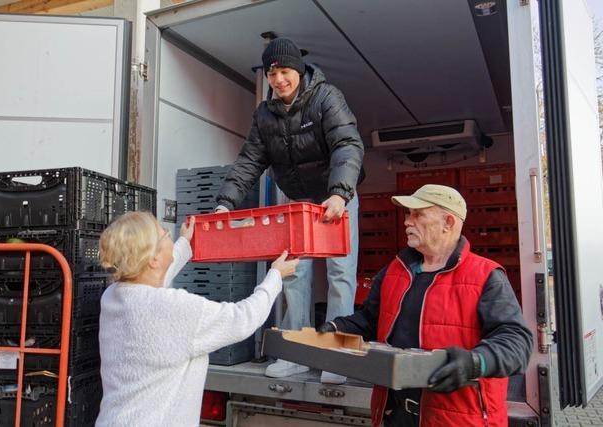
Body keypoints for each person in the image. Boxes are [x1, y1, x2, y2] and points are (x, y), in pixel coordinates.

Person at [317, 184, 533, 427]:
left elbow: (517, 343)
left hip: (456, 420)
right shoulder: (394, 271)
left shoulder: (486, 276)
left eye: (417, 214)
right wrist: (335, 328)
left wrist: (474, 362)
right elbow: (370, 320)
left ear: (448, 222)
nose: (407, 221)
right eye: (407, 214)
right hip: (395, 415)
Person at [215, 37, 365, 382]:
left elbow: (347, 144)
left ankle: (337, 354)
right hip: (296, 202)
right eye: (272, 73)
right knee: (294, 273)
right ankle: (298, 352)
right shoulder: (264, 115)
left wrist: (341, 193)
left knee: (340, 273)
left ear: (297, 70)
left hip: (334, 197)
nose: (279, 79)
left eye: (284, 71)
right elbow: (250, 161)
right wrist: (225, 203)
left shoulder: (328, 98)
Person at [95, 212, 298, 426]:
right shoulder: (172, 308)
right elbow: (242, 319)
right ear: (153, 259)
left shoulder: (113, 296)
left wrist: (185, 243)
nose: (168, 236)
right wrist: (275, 276)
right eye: (164, 235)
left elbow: (148, 277)